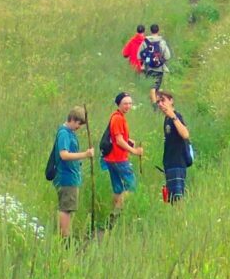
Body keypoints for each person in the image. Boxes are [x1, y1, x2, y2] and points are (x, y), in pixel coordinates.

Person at [100, 92, 142, 224]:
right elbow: (118, 140)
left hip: (111, 159)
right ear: (119, 104)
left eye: (130, 103)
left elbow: (117, 136)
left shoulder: (116, 116)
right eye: (125, 103)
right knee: (131, 187)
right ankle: (115, 215)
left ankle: (113, 216)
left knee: (117, 188)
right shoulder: (118, 118)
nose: (128, 106)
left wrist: (128, 140)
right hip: (119, 159)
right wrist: (134, 151)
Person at [52, 107, 93, 239]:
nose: (79, 127)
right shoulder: (64, 133)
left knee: (69, 208)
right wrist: (85, 154)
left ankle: (66, 234)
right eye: (79, 124)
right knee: (65, 208)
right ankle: (64, 237)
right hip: (66, 177)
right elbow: (63, 155)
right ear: (74, 120)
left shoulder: (70, 133)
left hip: (72, 176)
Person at [154, 90, 190, 203]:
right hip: (169, 164)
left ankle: (180, 219)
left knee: (177, 198)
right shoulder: (167, 118)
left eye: (163, 100)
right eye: (158, 101)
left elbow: (185, 134)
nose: (160, 104)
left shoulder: (176, 116)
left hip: (177, 163)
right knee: (171, 200)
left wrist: (174, 117)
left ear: (171, 101)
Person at [139, 24, 172, 96]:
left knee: (151, 86)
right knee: (156, 86)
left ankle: (154, 102)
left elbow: (139, 55)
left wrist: (146, 60)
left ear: (150, 31)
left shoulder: (145, 42)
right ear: (158, 30)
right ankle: (155, 103)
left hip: (148, 67)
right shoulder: (162, 42)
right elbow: (167, 56)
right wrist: (161, 61)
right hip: (159, 68)